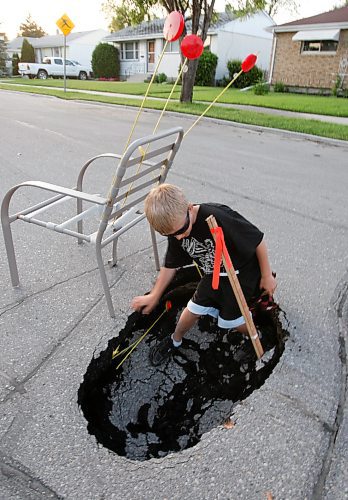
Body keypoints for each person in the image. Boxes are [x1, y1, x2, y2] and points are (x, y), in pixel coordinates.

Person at [131, 183, 277, 366]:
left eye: (181, 231)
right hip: (213, 274)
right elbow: (171, 265)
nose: (179, 238)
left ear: (189, 208)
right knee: (192, 308)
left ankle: (258, 333)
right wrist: (154, 294)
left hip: (241, 274)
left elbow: (258, 240)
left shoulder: (218, 216)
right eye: (171, 235)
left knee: (233, 319)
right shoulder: (176, 226)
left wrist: (266, 276)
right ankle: (175, 339)